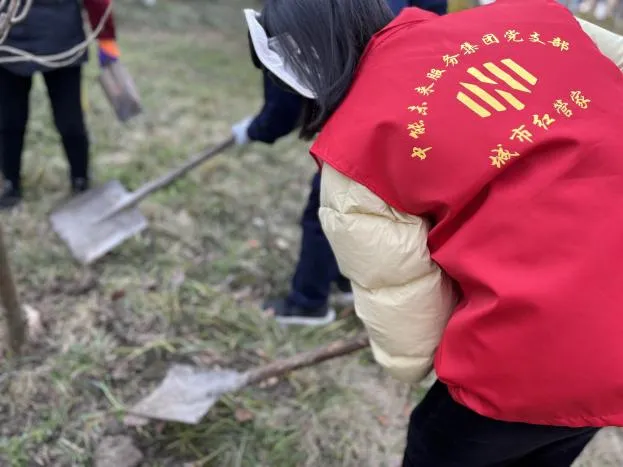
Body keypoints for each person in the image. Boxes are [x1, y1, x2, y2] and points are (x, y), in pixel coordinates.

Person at [244, 0, 623, 465]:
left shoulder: (354, 148)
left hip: (530, 355)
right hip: (610, 359)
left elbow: (406, 316)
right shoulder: (532, 20)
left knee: (441, 444)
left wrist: (413, 359)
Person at [232, 0, 447, 326]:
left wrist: (258, 129)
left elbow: (287, 82)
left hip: (372, 111)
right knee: (367, 208)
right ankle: (345, 279)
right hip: (413, 101)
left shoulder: (297, 15)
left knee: (329, 208)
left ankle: (308, 302)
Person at [0, 0, 119, 209]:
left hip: (62, 40)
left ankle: (80, 180)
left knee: (69, 120)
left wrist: (106, 36)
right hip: (10, 42)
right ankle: (11, 183)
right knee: (10, 120)